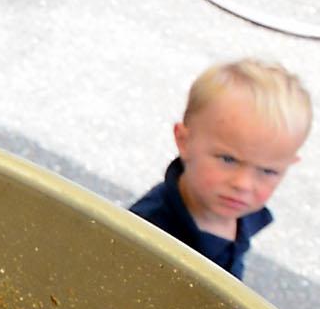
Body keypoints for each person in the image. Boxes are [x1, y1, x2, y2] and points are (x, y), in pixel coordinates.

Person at [128, 59, 308, 279]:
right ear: (184, 141)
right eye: (228, 159)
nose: (243, 184)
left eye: (268, 171)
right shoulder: (147, 236)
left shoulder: (235, 209)